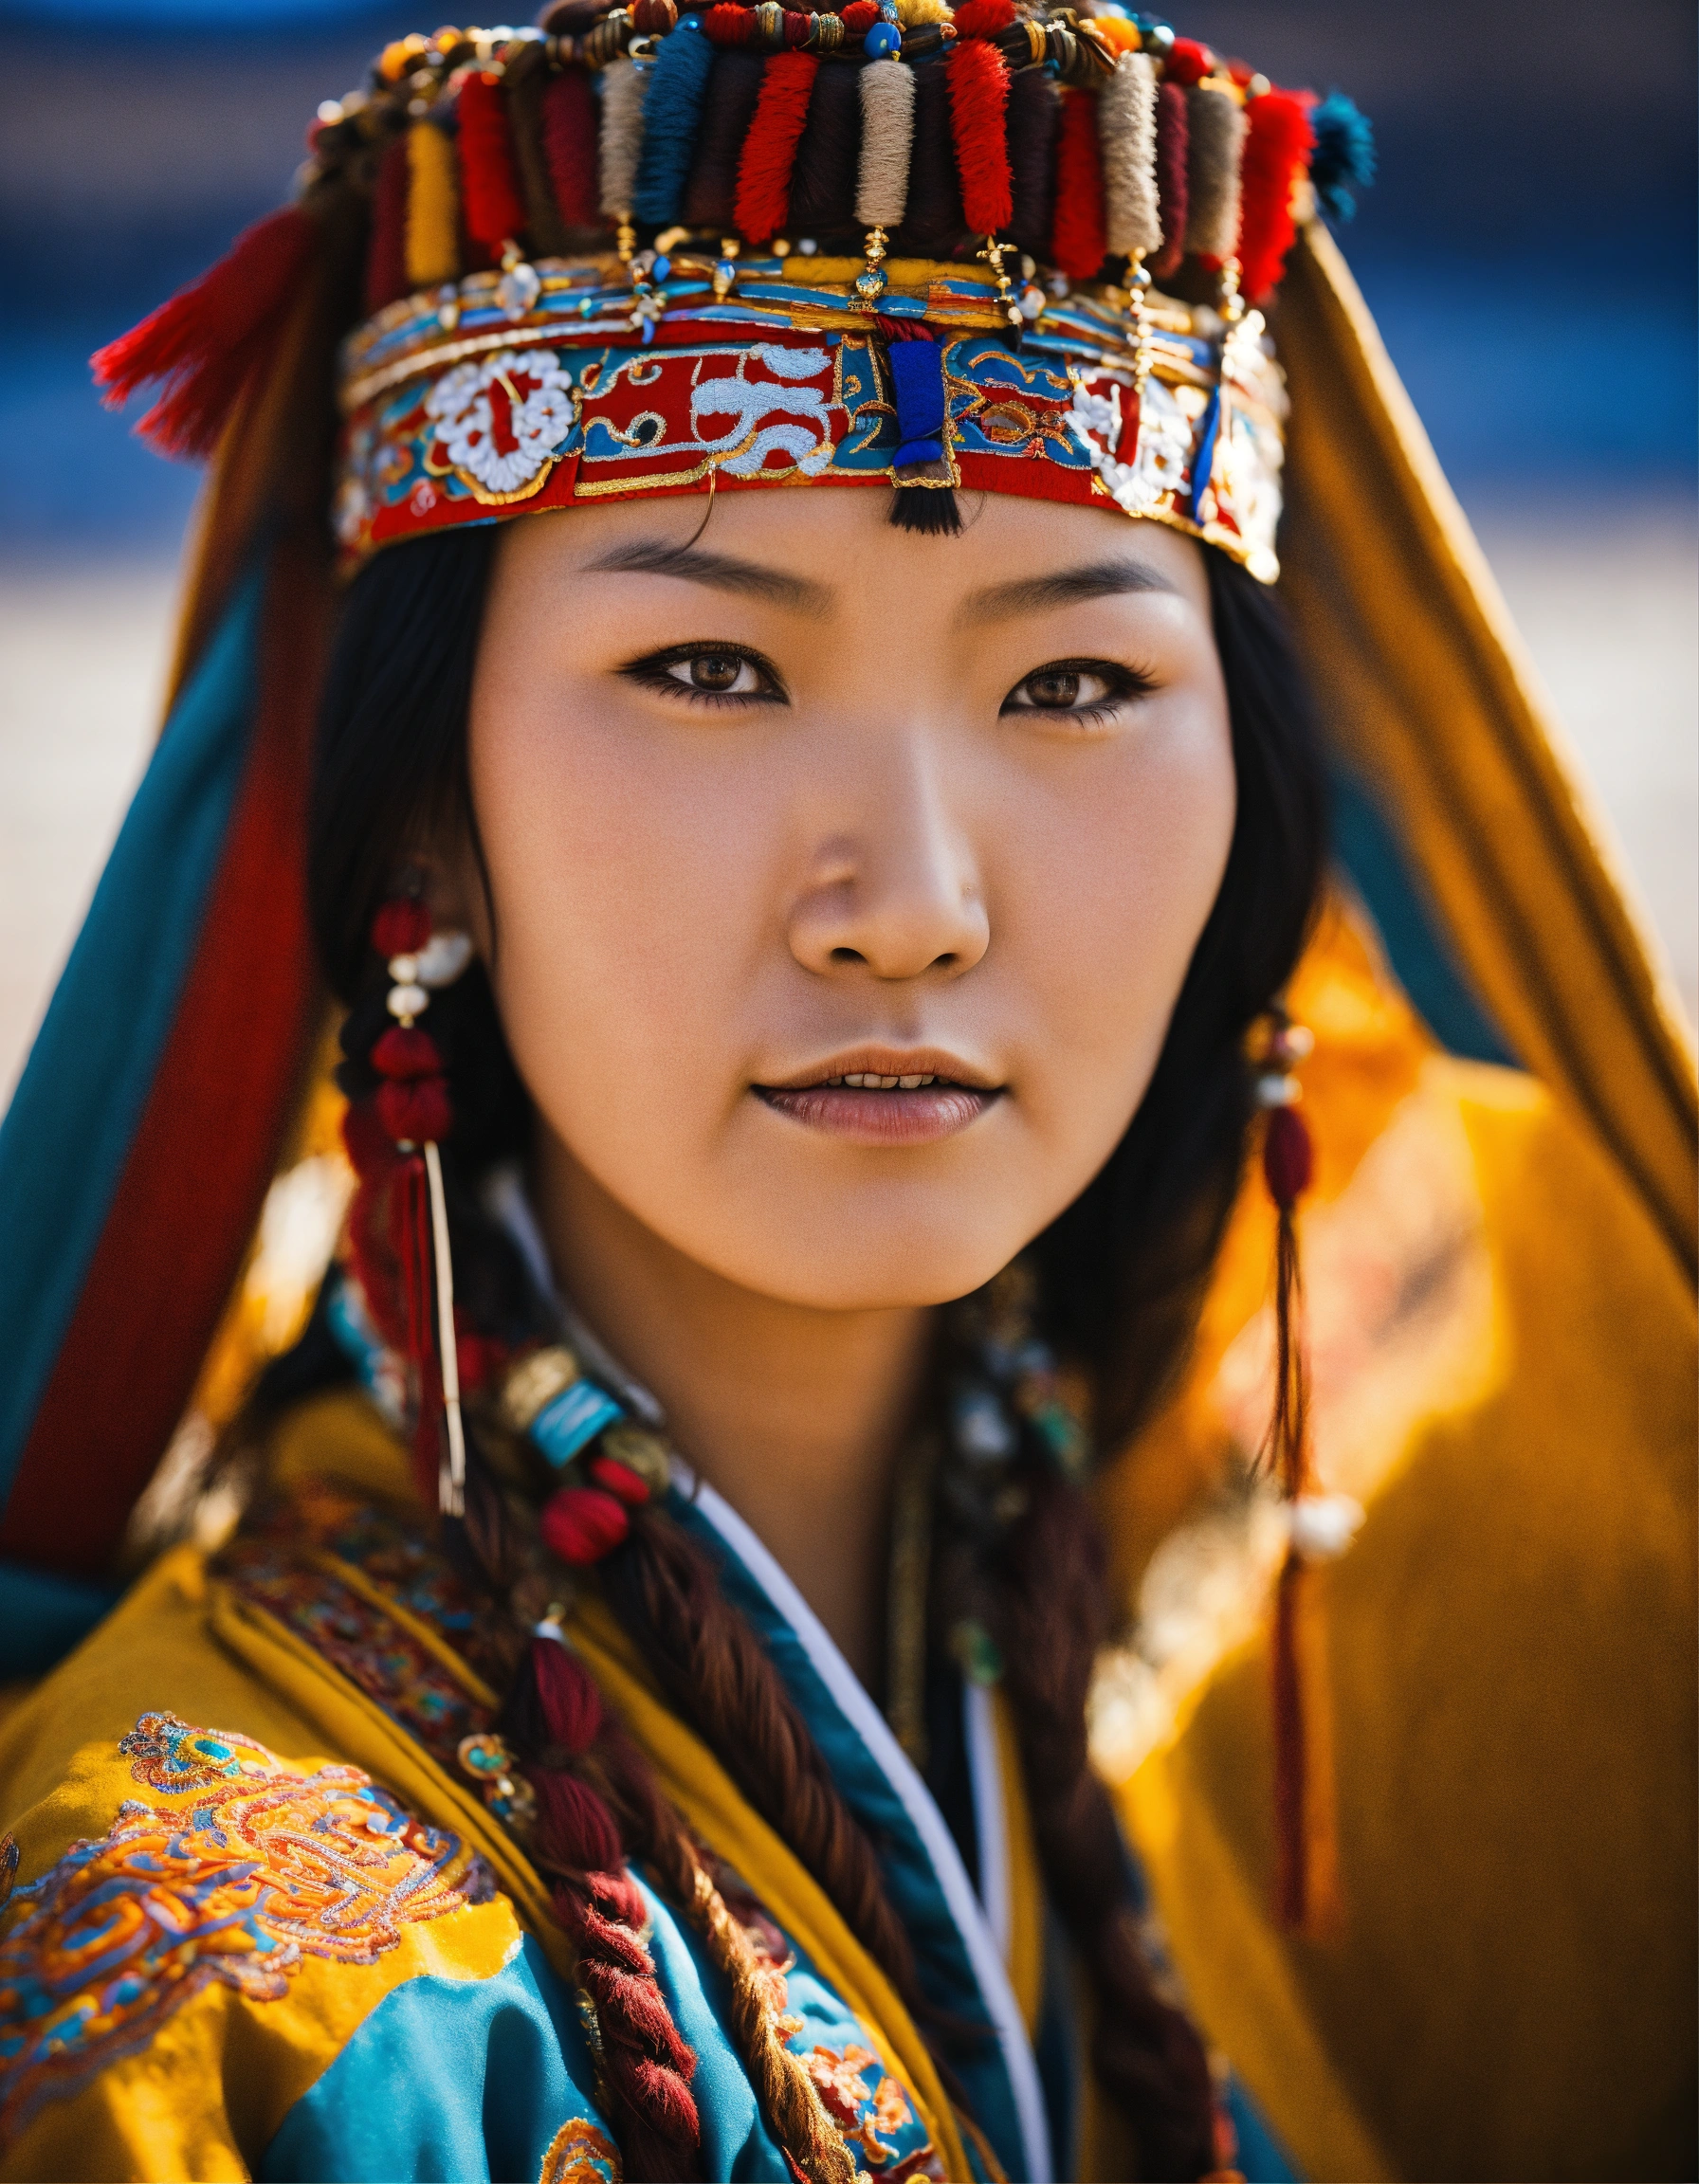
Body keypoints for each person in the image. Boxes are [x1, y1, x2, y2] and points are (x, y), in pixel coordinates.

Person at [0, 11, 1691, 2182]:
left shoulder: (1325, 1650)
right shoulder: (227, 2018)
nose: (905, 905)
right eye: (710, 669)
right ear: (423, 824)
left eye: (1072, 681)